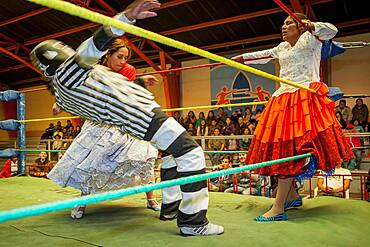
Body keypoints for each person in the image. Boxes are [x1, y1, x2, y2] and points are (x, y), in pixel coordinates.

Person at [30, 0, 223, 236]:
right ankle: (193, 222)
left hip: (138, 117)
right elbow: (92, 46)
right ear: (53, 58)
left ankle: (171, 208)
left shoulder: (68, 84)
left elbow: (108, 93)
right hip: (142, 116)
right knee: (192, 154)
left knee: (174, 156)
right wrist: (126, 17)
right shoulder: (67, 74)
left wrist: (140, 83)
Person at [233, 13, 354, 221]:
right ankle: (292, 195)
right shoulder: (282, 48)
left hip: (304, 98)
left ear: (299, 26)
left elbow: (331, 29)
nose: (284, 26)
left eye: (289, 23)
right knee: (280, 148)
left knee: (290, 151)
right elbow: (264, 54)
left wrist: (310, 25)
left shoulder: (311, 38)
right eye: (283, 24)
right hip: (282, 99)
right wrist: (242, 59)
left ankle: (279, 208)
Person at [48, 38, 161, 218]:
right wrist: (60, 103)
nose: (122, 61)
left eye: (125, 58)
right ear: (108, 54)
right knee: (93, 162)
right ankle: (82, 202)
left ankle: (151, 199)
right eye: (119, 56)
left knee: (145, 158)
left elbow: (123, 93)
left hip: (124, 121)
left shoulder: (128, 70)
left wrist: (139, 82)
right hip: (99, 121)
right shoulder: (92, 69)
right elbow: (77, 89)